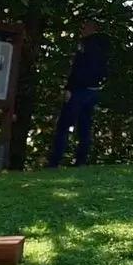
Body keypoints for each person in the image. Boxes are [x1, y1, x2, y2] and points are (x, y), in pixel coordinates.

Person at [46, 20, 109, 167]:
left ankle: (55, 162)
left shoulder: (86, 44)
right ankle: (80, 161)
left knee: (64, 126)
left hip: (80, 90)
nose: (81, 29)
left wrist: (70, 87)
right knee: (85, 127)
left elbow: (78, 68)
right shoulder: (103, 46)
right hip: (93, 90)